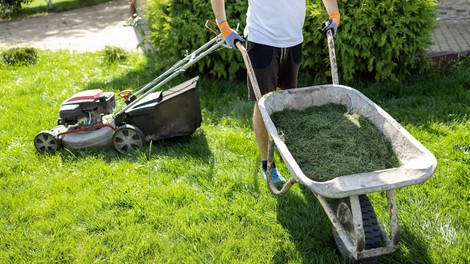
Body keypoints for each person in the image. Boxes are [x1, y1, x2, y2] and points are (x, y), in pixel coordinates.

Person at [210, 0, 340, 184]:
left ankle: (289, 155)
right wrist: (223, 26)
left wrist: (334, 14)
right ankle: (267, 164)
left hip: (294, 41)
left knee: (285, 103)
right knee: (264, 103)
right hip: (261, 41)